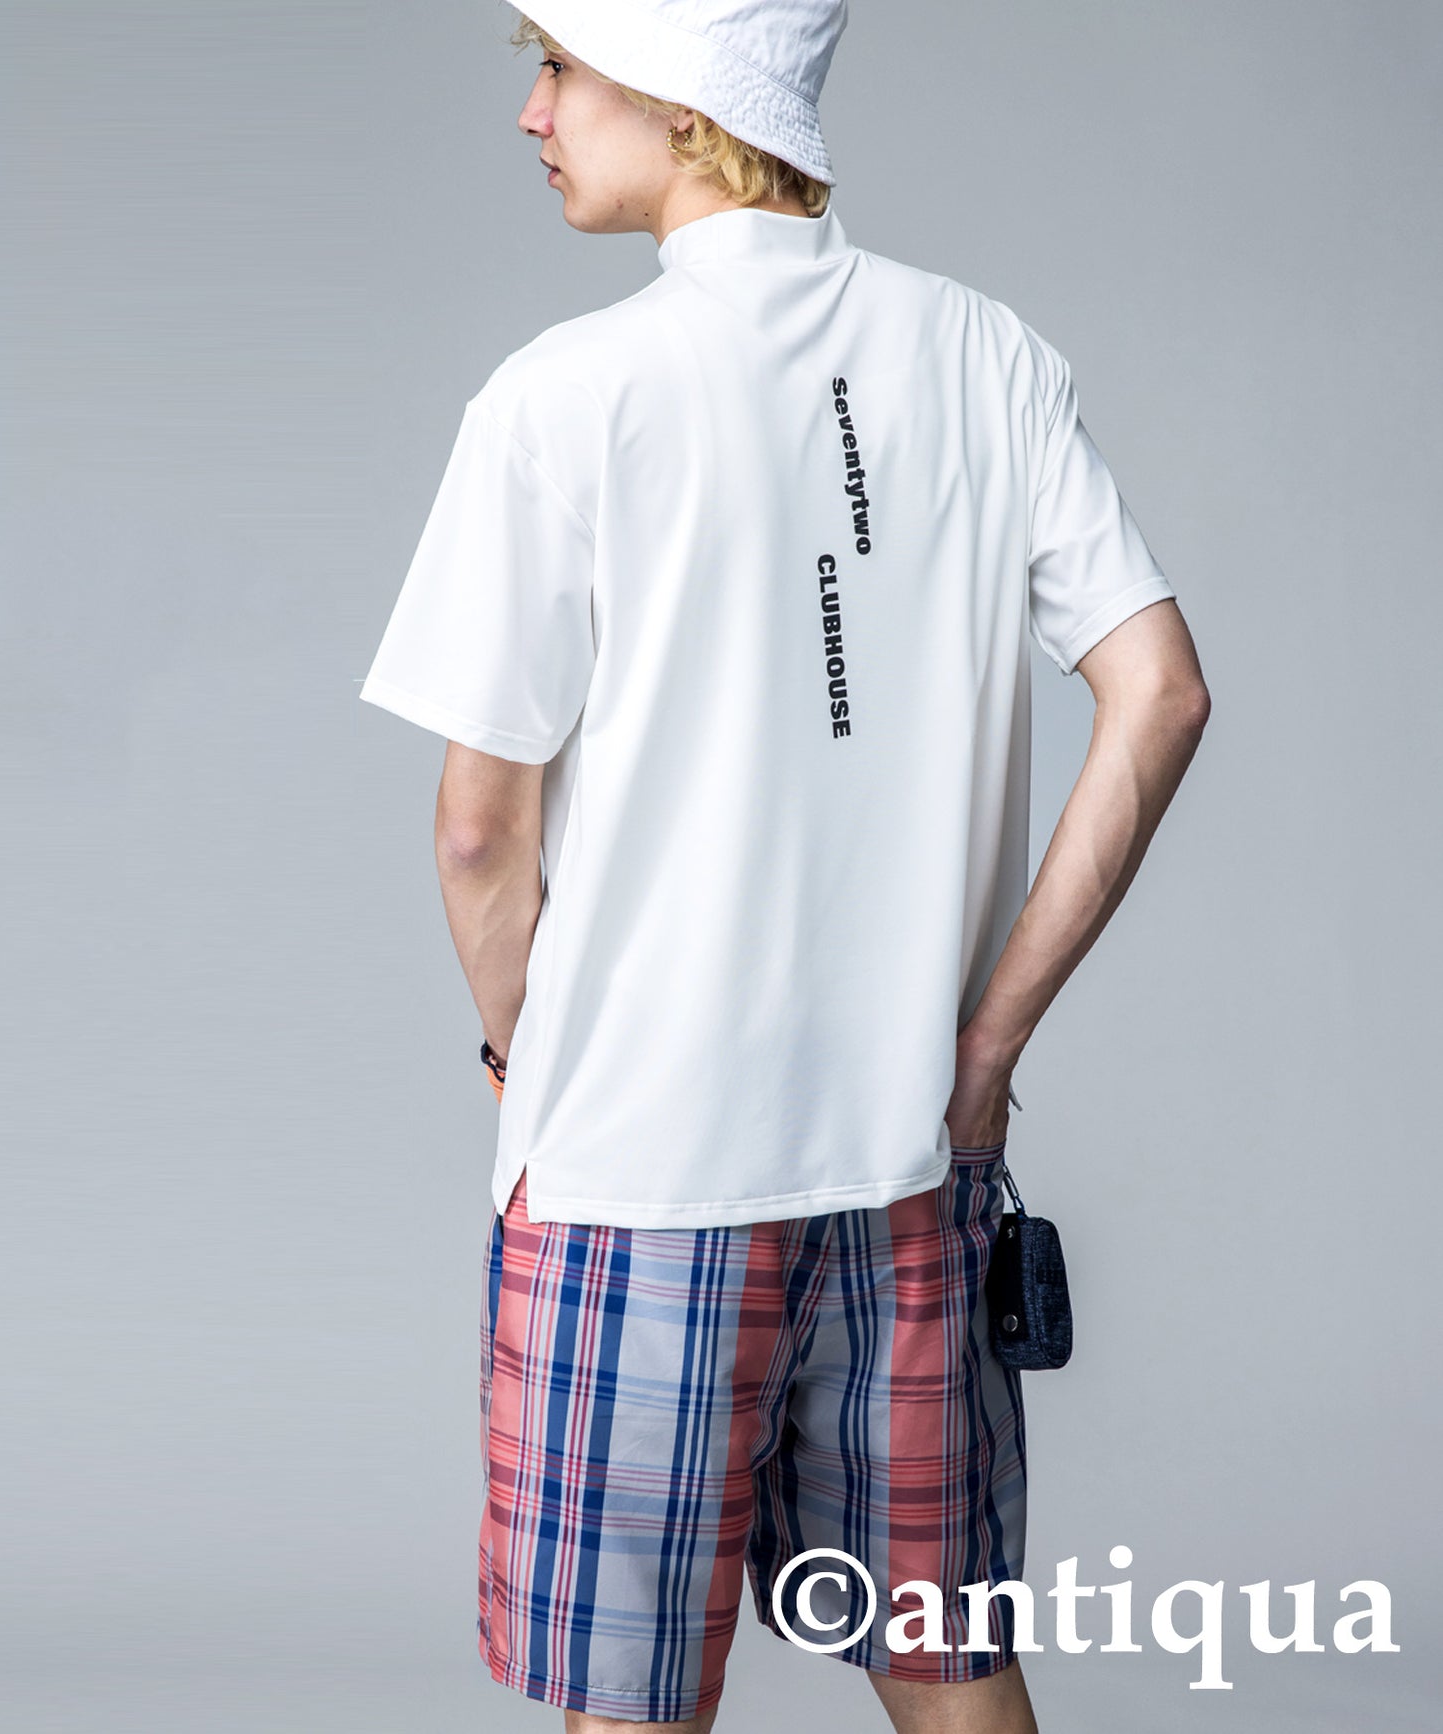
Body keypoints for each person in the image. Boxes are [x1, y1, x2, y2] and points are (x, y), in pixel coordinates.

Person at [358, 2, 1210, 1728]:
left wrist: (528, 1060)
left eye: (560, 66)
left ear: (686, 106)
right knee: (950, 1672)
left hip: (638, 1177)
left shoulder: (562, 397)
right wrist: (986, 1049)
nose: (532, 112)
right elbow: (1160, 692)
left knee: (632, 1705)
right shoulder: (983, 353)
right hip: (911, 1161)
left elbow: (476, 827)